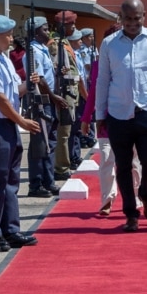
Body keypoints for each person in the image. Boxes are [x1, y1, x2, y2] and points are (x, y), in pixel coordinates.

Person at [93, 0, 147, 233]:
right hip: (118, 113)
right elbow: (102, 81)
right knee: (123, 165)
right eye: (127, 19)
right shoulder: (109, 43)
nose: (132, 23)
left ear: (143, 16)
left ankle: (146, 194)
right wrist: (100, 113)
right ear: (121, 18)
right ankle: (131, 213)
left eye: (136, 18)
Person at [0, 14, 43, 252]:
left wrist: (30, 84)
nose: (11, 38)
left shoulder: (1, 59)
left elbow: (13, 92)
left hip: (9, 123)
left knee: (10, 181)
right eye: (8, 34)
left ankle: (10, 229)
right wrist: (22, 121)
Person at [82, 24, 142, 216]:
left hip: (132, 118)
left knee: (133, 161)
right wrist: (86, 118)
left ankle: (136, 196)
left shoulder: (135, 60)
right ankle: (107, 199)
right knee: (107, 160)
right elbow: (93, 93)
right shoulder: (99, 64)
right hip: (106, 120)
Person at [23, 16, 61, 198]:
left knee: (50, 142)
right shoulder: (33, 51)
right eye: (45, 29)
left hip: (49, 100)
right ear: (35, 31)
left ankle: (48, 180)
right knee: (39, 143)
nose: (48, 32)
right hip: (41, 100)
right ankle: (36, 183)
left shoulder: (42, 50)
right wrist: (53, 97)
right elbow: (39, 78)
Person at [51, 11, 85, 176]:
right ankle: (61, 168)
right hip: (63, 92)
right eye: (72, 24)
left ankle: (63, 164)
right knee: (63, 133)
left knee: (68, 131)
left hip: (70, 91)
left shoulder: (65, 43)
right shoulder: (55, 44)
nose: (74, 27)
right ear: (63, 26)